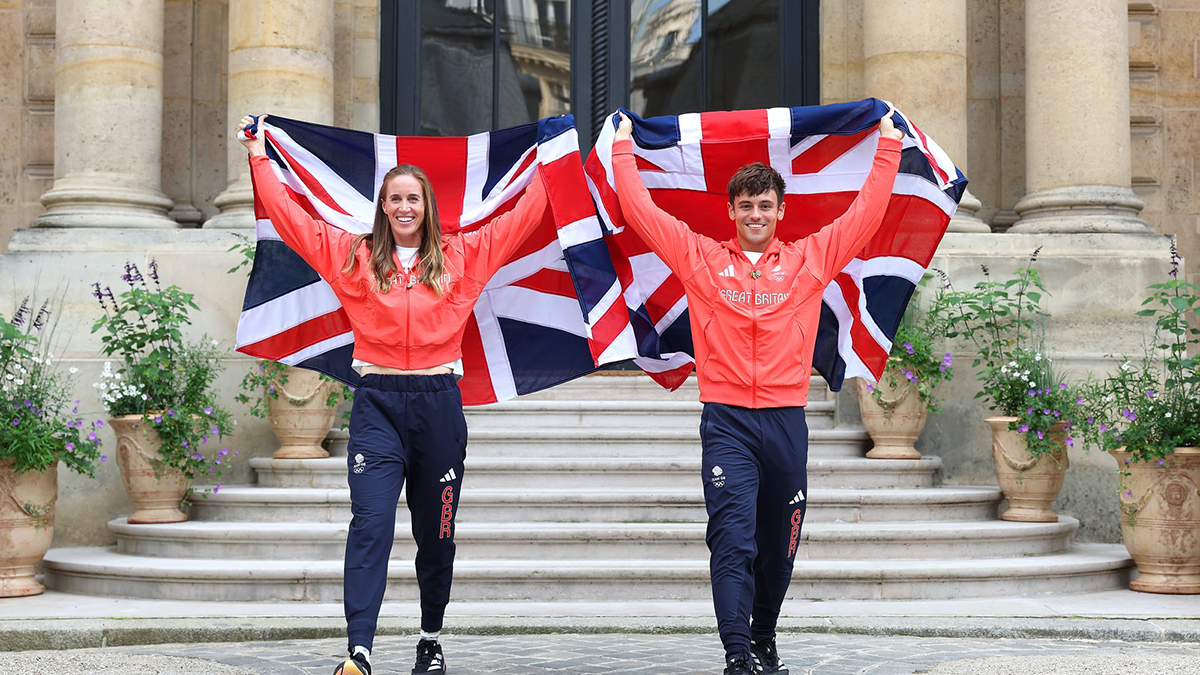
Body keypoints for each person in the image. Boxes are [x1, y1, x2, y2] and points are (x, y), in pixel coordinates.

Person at [237, 115, 549, 675]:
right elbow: (292, 217)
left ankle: (430, 637)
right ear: (382, 206)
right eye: (395, 199)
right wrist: (260, 155)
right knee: (371, 524)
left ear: (427, 206)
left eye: (414, 199)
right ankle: (358, 651)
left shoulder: (463, 256)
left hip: (437, 408)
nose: (405, 207)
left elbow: (524, 216)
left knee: (437, 533)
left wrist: (558, 156)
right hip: (377, 404)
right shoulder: (353, 257)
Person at [612, 108, 904, 675]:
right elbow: (641, 213)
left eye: (764, 205)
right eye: (745, 205)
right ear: (731, 211)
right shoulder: (701, 259)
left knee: (780, 543)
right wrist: (624, 147)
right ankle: (737, 654)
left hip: (785, 421)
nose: (754, 214)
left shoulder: (807, 261)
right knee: (732, 539)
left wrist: (888, 145)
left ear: (779, 212)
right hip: (726, 421)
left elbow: (865, 214)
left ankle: (764, 633)